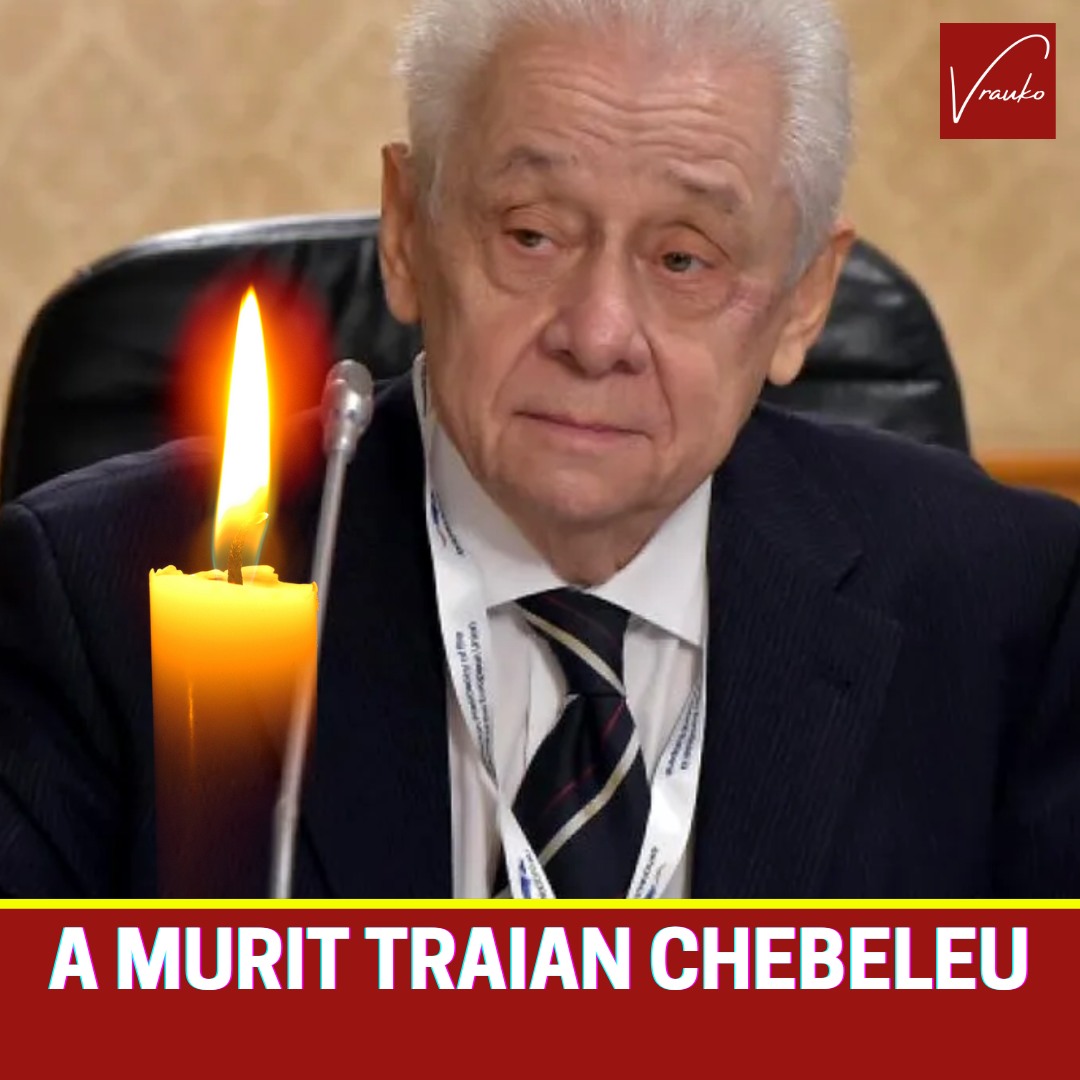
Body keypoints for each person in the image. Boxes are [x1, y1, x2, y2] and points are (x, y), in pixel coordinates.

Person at [1, 0, 1078, 899]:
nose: (598, 334)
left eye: (685, 259)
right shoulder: (94, 601)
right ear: (406, 232)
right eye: (531, 233)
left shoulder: (1011, 605)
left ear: (804, 302)